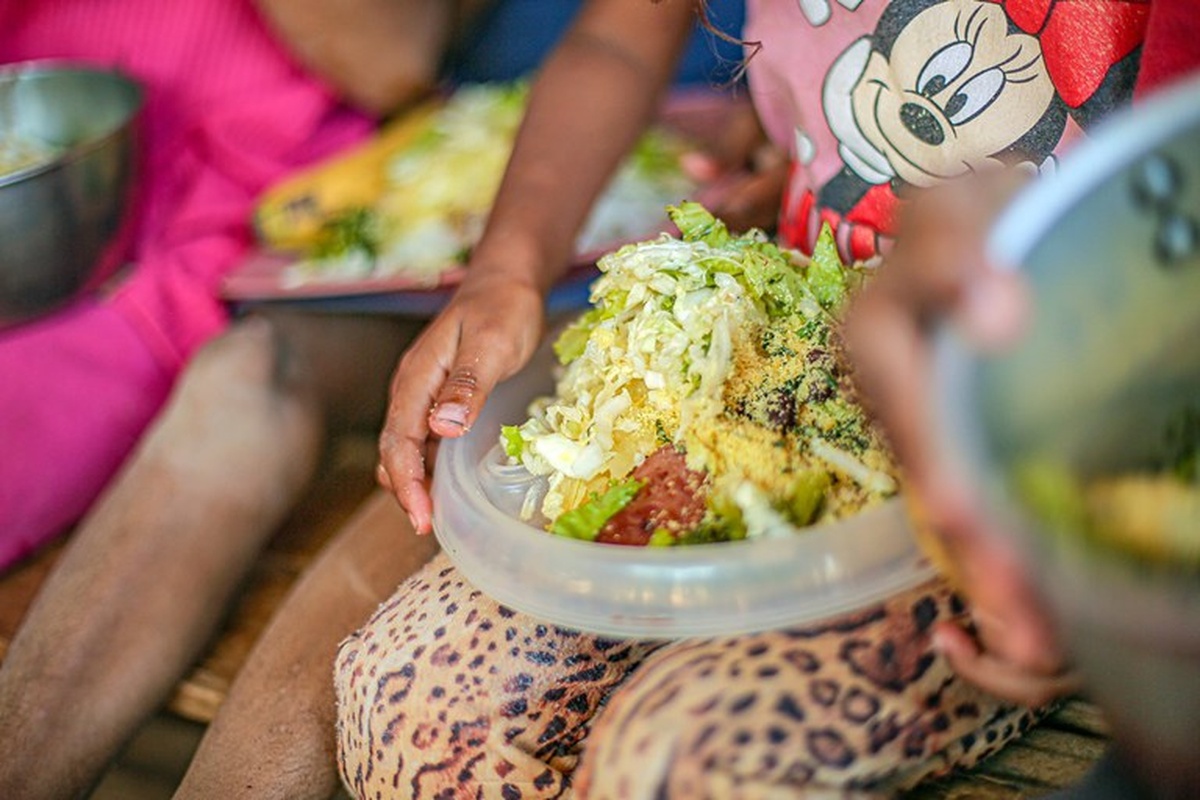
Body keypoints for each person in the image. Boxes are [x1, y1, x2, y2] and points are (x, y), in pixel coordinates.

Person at [342, 0, 1182, 796]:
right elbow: (620, 37)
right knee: (407, 710)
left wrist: (1095, 555)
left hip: (1044, 461)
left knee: (676, 763)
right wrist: (506, 272)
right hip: (770, 374)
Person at [0, 2, 746, 797]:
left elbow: (402, 58)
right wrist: (500, 270)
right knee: (248, 370)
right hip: (468, 193)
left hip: (633, 223)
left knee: (451, 452)